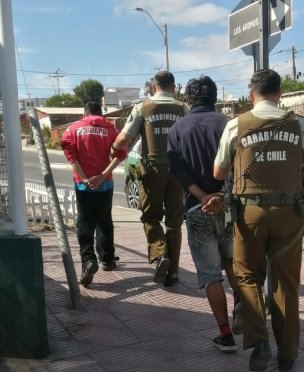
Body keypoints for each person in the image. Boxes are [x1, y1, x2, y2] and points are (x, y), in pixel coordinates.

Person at [213, 69, 304, 372]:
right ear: (280, 94)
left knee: (247, 275)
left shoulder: (236, 125)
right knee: (286, 283)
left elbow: (219, 173)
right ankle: (287, 355)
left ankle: (258, 340)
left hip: (249, 214)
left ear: (251, 94)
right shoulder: (298, 124)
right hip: (290, 214)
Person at [167, 75, 241, 353]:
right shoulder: (229, 124)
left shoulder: (177, 129)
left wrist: (201, 197)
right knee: (233, 264)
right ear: (215, 98)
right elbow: (238, 165)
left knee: (210, 276)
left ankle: (225, 334)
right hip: (229, 208)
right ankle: (241, 314)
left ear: (188, 99)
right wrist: (221, 195)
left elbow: (177, 168)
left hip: (197, 210)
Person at [112, 71, 187, 286]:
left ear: (153, 87)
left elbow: (125, 138)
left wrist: (114, 147)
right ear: (174, 88)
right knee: (174, 223)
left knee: (150, 217)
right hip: (178, 171)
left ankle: (160, 253)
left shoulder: (142, 108)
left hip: (153, 172)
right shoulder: (183, 108)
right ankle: (173, 272)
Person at [61, 102, 127, 287]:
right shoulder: (111, 129)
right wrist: (102, 176)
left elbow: (71, 156)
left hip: (83, 185)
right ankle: (107, 259)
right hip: (105, 184)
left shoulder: (72, 129)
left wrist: (84, 178)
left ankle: (88, 259)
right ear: (100, 113)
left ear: (85, 113)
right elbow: (121, 154)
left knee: (84, 222)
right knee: (104, 220)